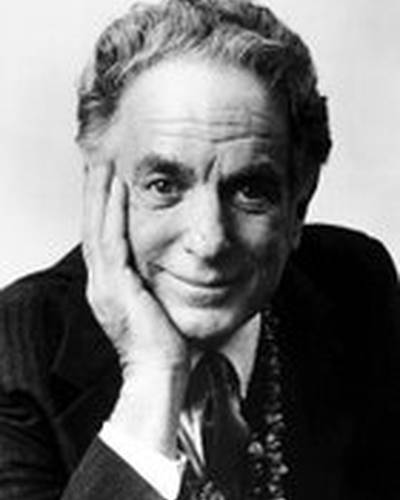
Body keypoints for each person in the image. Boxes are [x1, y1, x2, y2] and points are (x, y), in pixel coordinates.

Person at [0, 0, 399, 499]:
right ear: (98, 193)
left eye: (250, 191)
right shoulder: (17, 351)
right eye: (163, 185)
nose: (209, 240)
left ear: (298, 206)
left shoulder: (355, 289)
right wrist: (153, 377)